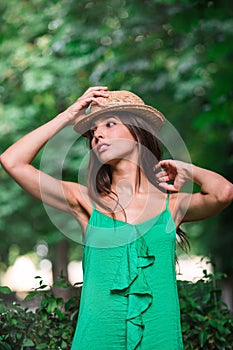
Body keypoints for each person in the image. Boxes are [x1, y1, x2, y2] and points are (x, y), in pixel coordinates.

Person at [0, 86, 232, 350]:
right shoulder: (86, 200)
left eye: (110, 123)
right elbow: (12, 161)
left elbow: (223, 193)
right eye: (93, 132)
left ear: (137, 132)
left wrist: (186, 169)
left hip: (160, 340)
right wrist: (67, 116)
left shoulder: (172, 204)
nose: (98, 134)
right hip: (97, 340)